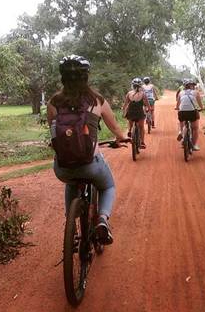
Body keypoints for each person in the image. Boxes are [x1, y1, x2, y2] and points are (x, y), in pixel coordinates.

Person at [47, 55, 128, 245]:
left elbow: (54, 134)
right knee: (108, 186)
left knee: (71, 182)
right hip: (91, 165)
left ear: (63, 77)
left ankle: (71, 226)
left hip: (62, 167)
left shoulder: (54, 102)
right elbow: (116, 129)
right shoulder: (97, 100)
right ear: (86, 77)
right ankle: (102, 220)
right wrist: (121, 138)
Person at [176, 79, 205, 150]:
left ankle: (182, 132)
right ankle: (194, 145)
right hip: (192, 112)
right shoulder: (196, 92)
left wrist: (177, 108)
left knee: (182, 120)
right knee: (195, 128)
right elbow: (200, 104)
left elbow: (177, 105)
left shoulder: (181, 93)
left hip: (182, 112)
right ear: (192, 86)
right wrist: (202, 108)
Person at [123, 77, 150, 149]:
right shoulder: (143, 94)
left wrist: (124, 111)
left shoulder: (129, 93)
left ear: (132, 85)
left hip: (131, 112)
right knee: (141, 127)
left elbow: (125, 104)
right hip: (139, 113)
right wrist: (149, 109)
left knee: (130, 122)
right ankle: (142, 142)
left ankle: (129, 130)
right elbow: (147, 104)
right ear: (140, 85)